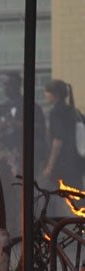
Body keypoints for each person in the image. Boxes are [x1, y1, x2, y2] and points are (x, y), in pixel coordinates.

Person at [0, 72, 47, 233]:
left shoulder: (31, 107)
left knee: (26, 193)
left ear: (18, 85)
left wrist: (16, 124)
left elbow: (41, 129)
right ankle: (11, 228)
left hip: (25, 158)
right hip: (4, 159)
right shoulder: (0, 109)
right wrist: (1, 127)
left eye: (10, 84)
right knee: (6, 193)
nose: (6, 88)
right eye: (4, 84)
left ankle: (30, 228)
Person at [42, 79, 83, 214]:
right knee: (77, 193)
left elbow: (58, 140)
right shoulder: (73, 111)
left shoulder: (56, 112)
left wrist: (49, 166)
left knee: (48, 192)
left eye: (47, 92)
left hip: (63, 162)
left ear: (56, 94)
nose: (45, 94)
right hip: (76, 160)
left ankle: (54, 225)